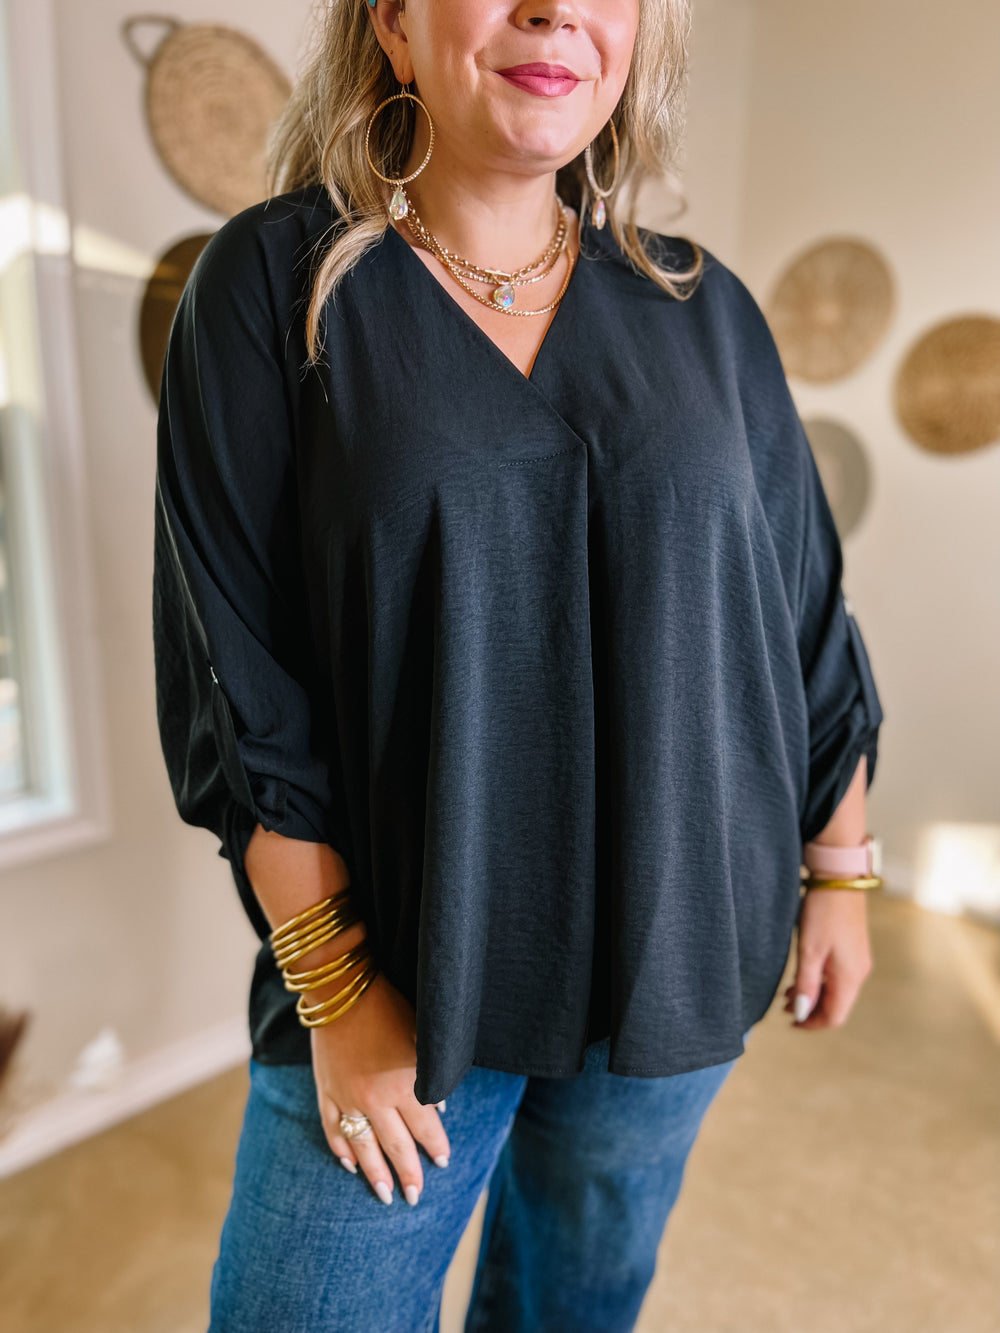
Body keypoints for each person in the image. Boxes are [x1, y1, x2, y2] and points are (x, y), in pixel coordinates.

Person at [151, 1, 886, 1329]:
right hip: (403, 967)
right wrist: (336, 989)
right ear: (392, 22)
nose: (554, 8)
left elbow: (803, 610)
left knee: (573, 1307)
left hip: (677, 942)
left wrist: (840, 870)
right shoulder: (272, 284)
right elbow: (237, 674)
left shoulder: (705, 307)